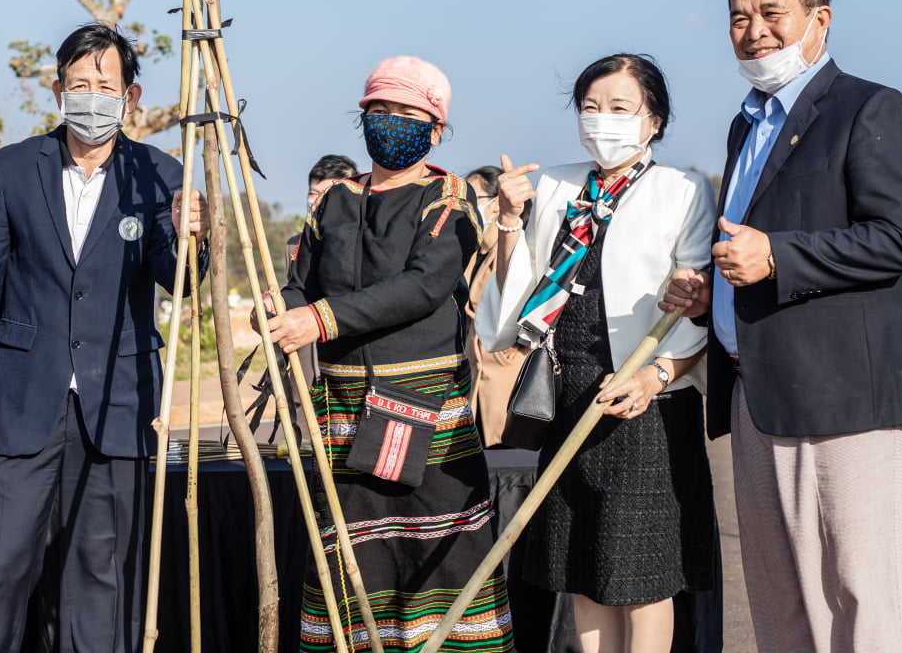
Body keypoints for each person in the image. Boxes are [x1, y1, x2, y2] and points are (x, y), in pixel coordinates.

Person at [691, 0, 902, 653]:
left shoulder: (867, 106)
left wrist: (777, 256)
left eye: (772, 13)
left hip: (848, 392)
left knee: (863, 591)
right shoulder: (745, 124)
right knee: (781, 596)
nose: (754, 31)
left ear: (818, 19)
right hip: (758, 391)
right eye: (739, 17)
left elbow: (897, 239)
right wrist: (708, 288)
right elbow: (748, 242)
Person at [0, 23, 208, 653]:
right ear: (57, 89)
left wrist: (189, 235)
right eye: (80, 83)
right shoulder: (10, 171)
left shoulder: (158, 174)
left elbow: (180, 282)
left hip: (118, 402)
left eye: (106, 85)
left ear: (131, 96)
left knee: (100, 575)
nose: (92, 97)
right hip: (20, 401)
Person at [264, 55, 513, 653]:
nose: (390, 122)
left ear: (435, 127)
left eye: (407, 113)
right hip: (342, 409)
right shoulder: (335, 201)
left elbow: (424, 285)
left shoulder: (447, 197)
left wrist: (318, 319)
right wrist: (280, 308)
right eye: (379, 111)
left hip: (422, 408)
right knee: (351, 563)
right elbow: (304, 281)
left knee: (437, 558)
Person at [475, 54, 716, 653]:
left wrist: (655, 378)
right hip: (569, 392)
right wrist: (508, 220)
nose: (601, 120)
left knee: (642, 579)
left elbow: (698, 310)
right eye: (590, 107)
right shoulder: (555, 184)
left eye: (619, 108)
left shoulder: (681, 189)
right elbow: (512, 305)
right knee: (583, 570)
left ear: (653, 120)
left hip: (646, 400)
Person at [461, 164, 528, 448]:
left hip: (506, 371)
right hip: (473, 376)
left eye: (472, 200)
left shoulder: (514, 248)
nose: (465, 208)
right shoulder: (472, 251)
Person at [288, 154, 359, 265]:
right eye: (313, 193)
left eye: (328, 195)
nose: (319, 200)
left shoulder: (363, 244)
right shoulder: (293, 246)